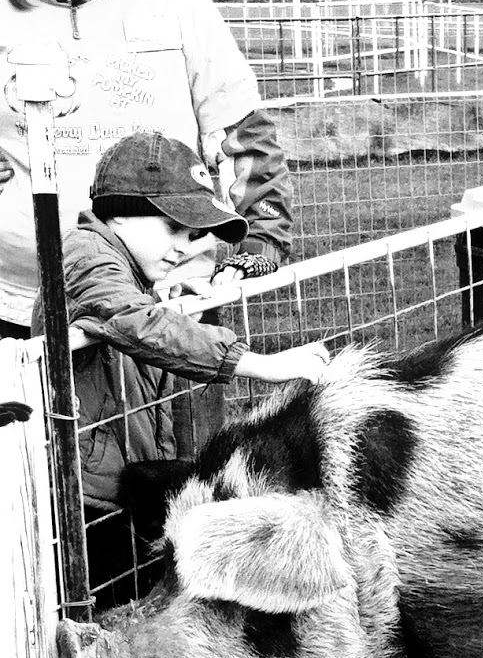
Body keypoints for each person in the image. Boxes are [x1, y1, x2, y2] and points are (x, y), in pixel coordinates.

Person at [0, 0, 293, 339]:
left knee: (159, 405)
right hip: (16, 301)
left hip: (173, 298)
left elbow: (241, 128)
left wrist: (261, 242)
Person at [41, 130, 327, 519]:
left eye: (192, 235)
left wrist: (164, 297)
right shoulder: (83, 254)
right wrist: (259, 364)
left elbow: (124, 311)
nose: (184, 247)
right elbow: (132, 320)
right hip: (81, 497)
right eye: (173, 227)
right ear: (121, 211)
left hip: (110, 480)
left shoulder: (120, 268)